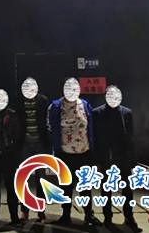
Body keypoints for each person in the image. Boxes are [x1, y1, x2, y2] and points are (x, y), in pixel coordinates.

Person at [47, 78, 102, 227]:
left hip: (84, 153)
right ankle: (65, 215)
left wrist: (93, 149)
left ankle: (89, 215)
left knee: (85, 187)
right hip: (65, 154)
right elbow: (50, 128)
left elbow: (91, 126)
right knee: (66, 187)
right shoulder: (56, 106)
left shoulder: (85, 104)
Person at [93, 85, 142, 233]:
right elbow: (96, 139)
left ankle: (129, 216)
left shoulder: (126, 112)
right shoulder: (97, 113)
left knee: (127, 189)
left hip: (123, 157)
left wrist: (132, 160)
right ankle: (108, 217)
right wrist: (97, 161)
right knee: (106, 188)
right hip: (106, 157)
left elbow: (130, 137)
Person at [0, 89, 25, 227]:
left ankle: (14, 216)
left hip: (9, 157)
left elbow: (18, 135)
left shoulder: (13, 115)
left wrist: (14, 151)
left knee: (11, 189)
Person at [15, 77, 51, 223]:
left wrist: (47, 143)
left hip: (40, 143)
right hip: (24, 144)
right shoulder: (18, 100)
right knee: (24, 178)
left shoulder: (43, 100)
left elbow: (46, 121)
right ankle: (24, 211)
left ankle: (41, 211)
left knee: (41, 178)